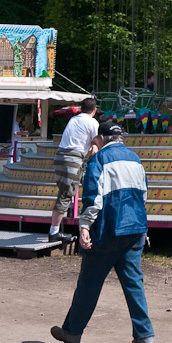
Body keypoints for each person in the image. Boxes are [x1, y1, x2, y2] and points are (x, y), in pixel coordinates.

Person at [51, 122, 154, 343]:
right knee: (133, 283)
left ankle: (72, 332)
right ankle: (144, 335)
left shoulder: (98, 160)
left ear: (101, 138)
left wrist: (84, 226)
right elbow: (144, 194)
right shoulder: (135, 159)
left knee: (89, 282)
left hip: (109, 229)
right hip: (135, 227)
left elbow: (93, 198)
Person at [49, 97, 99, 242]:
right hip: (73, 159)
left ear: (81, 109)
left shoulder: (73, 119)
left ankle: (72, 209)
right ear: (94, 110)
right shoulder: (92, 122)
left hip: (60, 157)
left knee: (73, 188)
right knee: (65, 195)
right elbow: (97, 142)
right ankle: (54, 233)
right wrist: (95, 146)